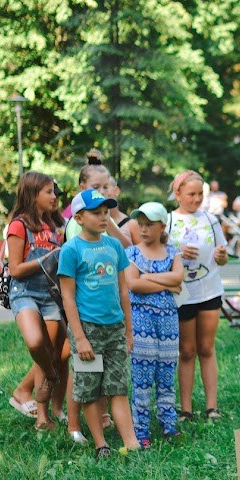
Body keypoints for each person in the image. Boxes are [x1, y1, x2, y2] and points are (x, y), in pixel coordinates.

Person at [59, 189, 141, 460]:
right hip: (89, 330)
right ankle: (100, 443)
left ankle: (131, 443)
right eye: (96, 212)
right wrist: (80, 338)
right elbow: (68, 297)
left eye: (106, 212)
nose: (103, 217)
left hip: (114, 328)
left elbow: (122, 291)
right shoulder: (71, 250)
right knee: (91, 390)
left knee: (118, 387)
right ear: (79, 218)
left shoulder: (114, 246)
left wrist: (128, 330)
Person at [6, 172, 67, 431]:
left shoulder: (54, 227)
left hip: (50, 295)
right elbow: (15, 269)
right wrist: (46, 258)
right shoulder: (19, 225)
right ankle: (50, 375)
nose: (54, 197)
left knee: (53, 352)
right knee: (35, 343)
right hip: (25, 292)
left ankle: (43, 417)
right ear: (33, 195)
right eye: (49, 192)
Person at [167, 171, 229, 421]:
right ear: (178, 194)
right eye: (191, 194)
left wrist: (222, 257)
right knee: (187, 350)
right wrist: (178, 251)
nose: (196, 199)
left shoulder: (212, 220)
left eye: (200, 194)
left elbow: (222, 255)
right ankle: (186, 409)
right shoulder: (168, 221)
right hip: (183, 295)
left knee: (206, 348)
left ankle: (211, 407)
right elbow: (159, 253)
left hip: (209, 290)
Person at [124, 202, 184, 448]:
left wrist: (147, 276)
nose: (144, 229)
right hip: (141, 319)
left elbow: (178, 278)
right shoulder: (132, 253)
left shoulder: (173, 252)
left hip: (168, 320)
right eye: (141, 224)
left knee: (167, 372)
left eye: (149, 224)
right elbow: (133, 285)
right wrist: (166, 283)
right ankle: (141, 430)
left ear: (162, 226)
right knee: (142, 373)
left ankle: (168, 423)